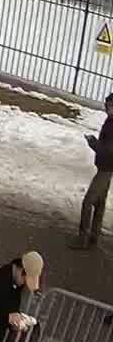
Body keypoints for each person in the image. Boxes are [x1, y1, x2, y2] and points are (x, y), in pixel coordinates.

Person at [77, 92, 113, 249]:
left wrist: (93, 143)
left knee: (88, 202)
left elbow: (108, 150)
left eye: (110, 105)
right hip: (107, 167)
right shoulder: (110, 120)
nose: (107, 108)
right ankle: (93, 237)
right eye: (107, 105)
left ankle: (82, 238)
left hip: (106, 168)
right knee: (99, 203)